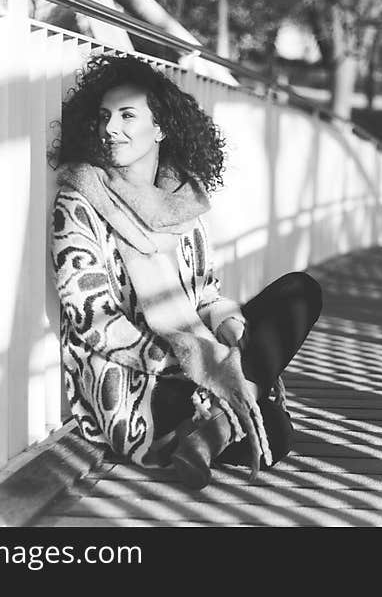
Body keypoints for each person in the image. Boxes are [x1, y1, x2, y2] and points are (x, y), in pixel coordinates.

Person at [50, 53, 322, 490]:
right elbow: (92, 320)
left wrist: (229, 328)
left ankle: (210, 432)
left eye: (126, 116)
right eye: (104, 117)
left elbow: (206, 296)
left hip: (197, 356)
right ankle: (216, 421)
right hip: (140, 379)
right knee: (269, 427)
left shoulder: (182, 203)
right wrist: (183, 364)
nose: (111, 129)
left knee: (300, 291)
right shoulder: (79, 201)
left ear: (159, 128)